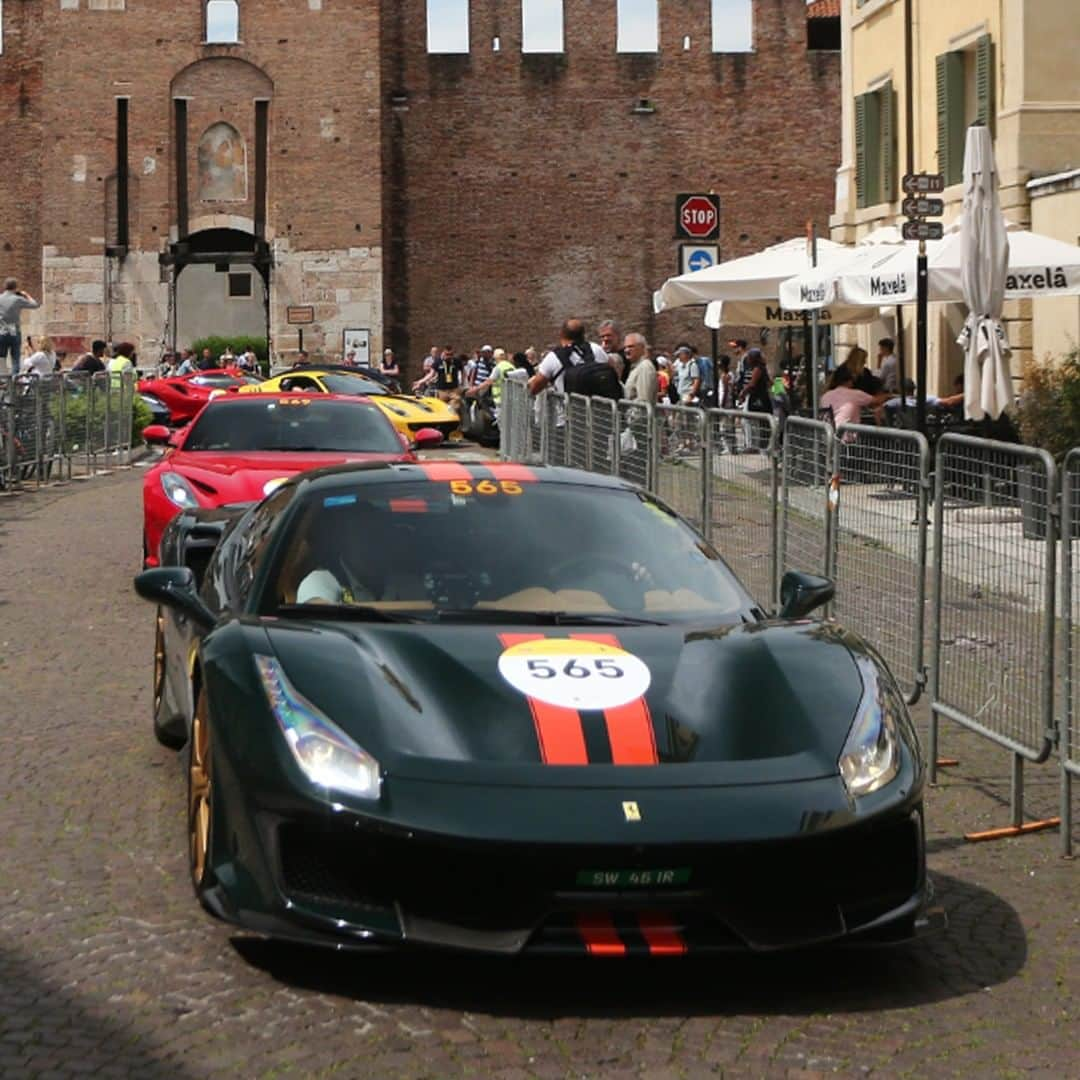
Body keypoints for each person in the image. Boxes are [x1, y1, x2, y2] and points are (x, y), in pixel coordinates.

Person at [528, 319, 610, 396]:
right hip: (600, 408)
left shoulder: (553, 357)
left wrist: (532, 382)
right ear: (583, 334)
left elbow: (534, 389)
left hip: (568, 409)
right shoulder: (597, 349)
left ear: (562, 334)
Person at [821, 364, 890, 428]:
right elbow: (877, 400)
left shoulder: (825, 396)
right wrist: (890, 396)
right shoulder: (855, 394)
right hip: (848, 437)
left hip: (829, 436)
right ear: (850, 380)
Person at [0, 279, 41, 375]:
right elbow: (35, 305)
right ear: (15, 287)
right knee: (15, 360)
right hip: (14, 332)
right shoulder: (17, 299)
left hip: (1, 332)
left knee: (1, 360)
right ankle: (14, 383)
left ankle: (2, 383)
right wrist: (26, 295)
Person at [623, 333, 658, 403]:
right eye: (625, 347)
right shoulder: (636, 367)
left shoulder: (645, 367)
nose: (626, 350)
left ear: (641, 348)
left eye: (631, 346)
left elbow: (644, 400)